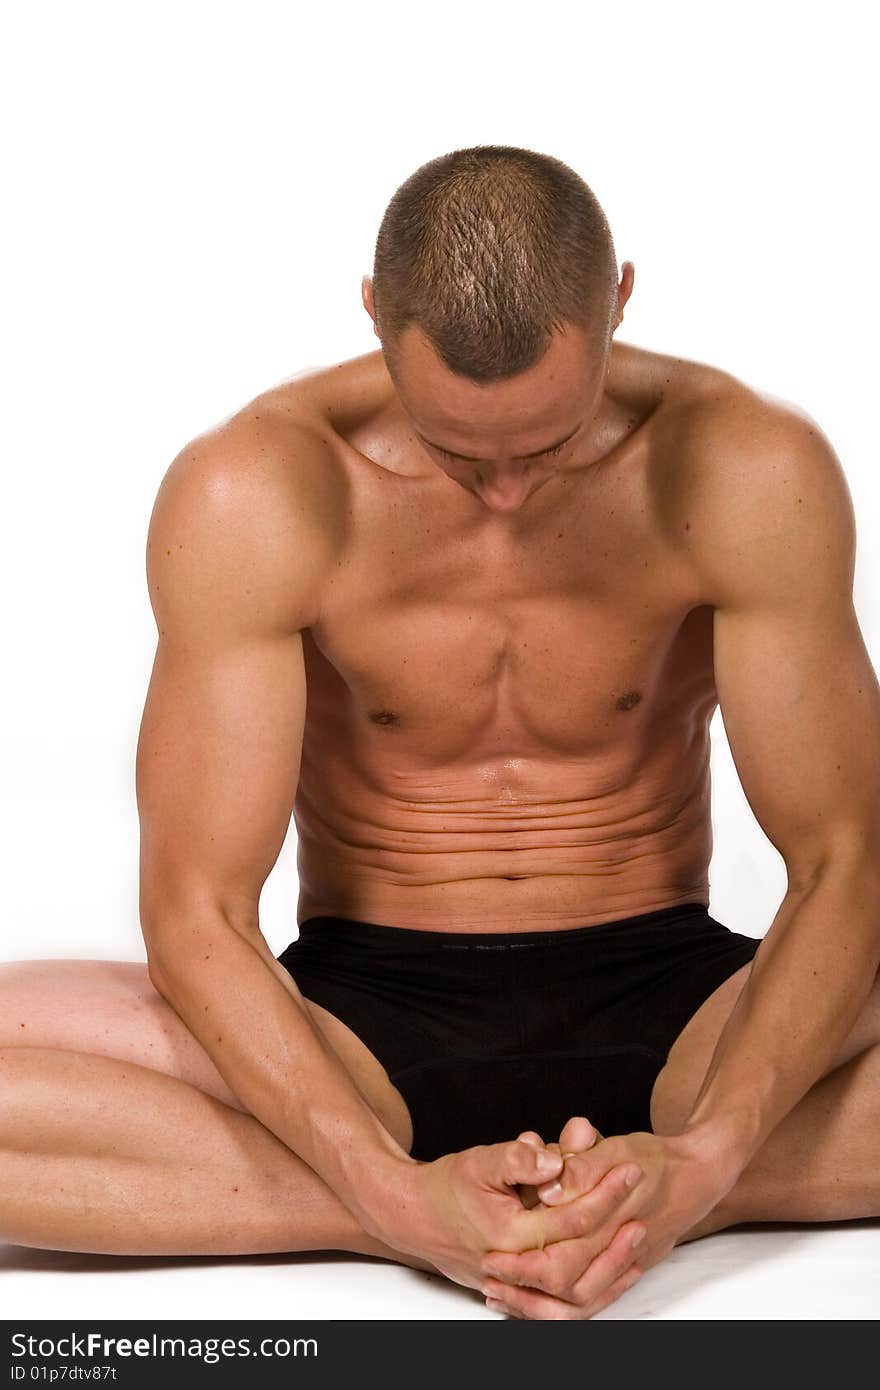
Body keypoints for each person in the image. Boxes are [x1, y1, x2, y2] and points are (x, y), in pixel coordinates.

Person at [3, 144, 879, 1321]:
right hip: (358, 1028)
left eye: (548, 444)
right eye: (464, 451)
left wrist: (715, 1147)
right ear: (375, 314)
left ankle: (649, 1189)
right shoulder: (257, 489)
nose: (507, 493)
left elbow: (842, 858)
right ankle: (475, 1206)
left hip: (686, 1008)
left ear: (617, 298)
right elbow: (199, 911)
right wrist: (388, 1193)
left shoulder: (745, 466)